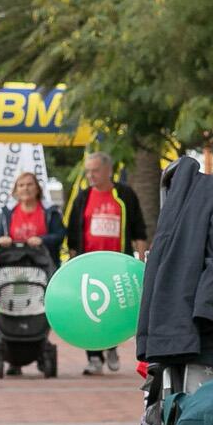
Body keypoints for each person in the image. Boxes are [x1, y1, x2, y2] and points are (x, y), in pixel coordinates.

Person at [60, 153, 147, 373]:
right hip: (88, 265)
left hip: (117, 265)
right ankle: (94, 358)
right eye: (88, 171)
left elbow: (139, 230)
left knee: (115, 308)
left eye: (95, 170)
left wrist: (143, 261)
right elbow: (73, 233)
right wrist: (73, 262)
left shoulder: (125, 195)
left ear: (109, 170)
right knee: (89, 309)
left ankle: (111, 345)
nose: (91, 175)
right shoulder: (83, 197)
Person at [0, 170, 63, 374]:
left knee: (37, 305)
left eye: (29, 184)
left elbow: (59, 235)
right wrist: (0, 240)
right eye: (21, 185)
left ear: (37, 188)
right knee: (13, 304)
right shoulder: (8, 213)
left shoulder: (49, 211)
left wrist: (44, 240)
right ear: (15, 190)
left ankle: (37, 342)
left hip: (39, 267)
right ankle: (12, 353)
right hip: (12, 270)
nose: (26, 189)